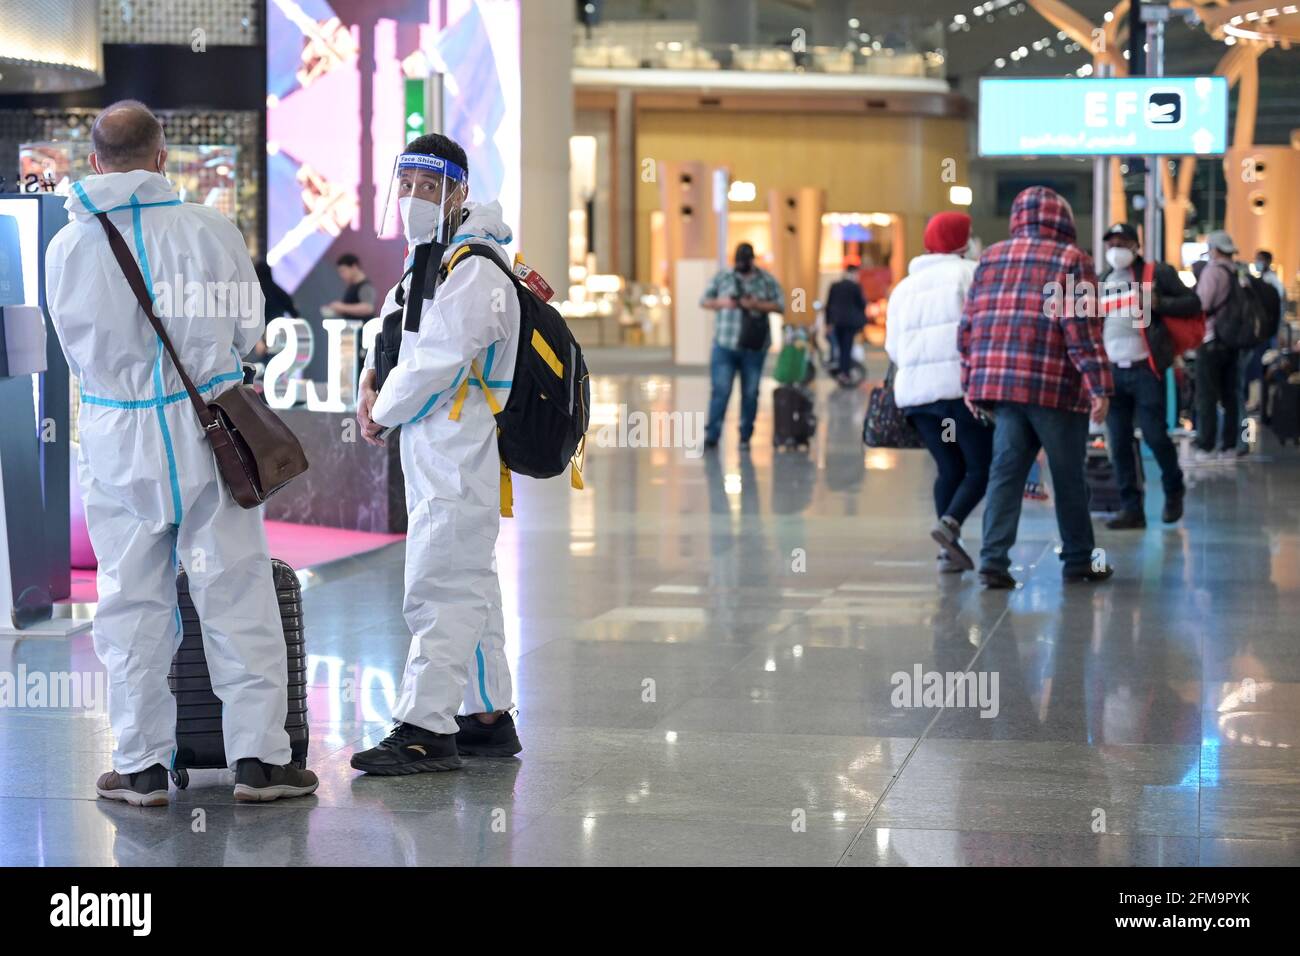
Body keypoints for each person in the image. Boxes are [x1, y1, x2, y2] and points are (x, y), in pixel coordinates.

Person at [44, 100, 318, 805]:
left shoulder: (67, 247)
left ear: (95, 162)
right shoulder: (210, 229)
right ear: (163, 157)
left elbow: (73, 348)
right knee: (236, 591)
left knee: (130, 604)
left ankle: (140, 767)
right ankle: (259, 762)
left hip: (115, 438)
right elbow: (250, 328)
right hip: (208, 434)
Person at [351, 133, 522, 774]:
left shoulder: (476, 264)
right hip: (432, 440)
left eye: (430, 186)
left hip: (460, 443)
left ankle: (426, 726)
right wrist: (370, 385)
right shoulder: (429, 257)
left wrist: (384, 412)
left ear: (459, 191)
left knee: (441, 581)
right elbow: (392, 331)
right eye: (408, 185)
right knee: (469, 577)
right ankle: (485, 715)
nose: (415, 198)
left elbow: (437, 359)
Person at [958, 186, 1114, 589]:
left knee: (1005, 473)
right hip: (1054, 388)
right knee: (1067, 476)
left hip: (1003, 388)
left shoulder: (990, 258)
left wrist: (970, 383)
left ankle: (992, 560)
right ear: (1063, 220)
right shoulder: (1072, 260)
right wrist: (1100, 386)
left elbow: (968, 327)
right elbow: (1082, 332)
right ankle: (1079, 558)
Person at [885, 211, 991, 573]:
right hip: (958, 392)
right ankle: (950, 524)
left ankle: (949, 552)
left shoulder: (904, 287)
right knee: (982, 467)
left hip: (918, 399)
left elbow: (893, 348)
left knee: (949, 468)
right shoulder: (971, 274)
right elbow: (983, 332)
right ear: (962, 240)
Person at [1096, 222, 1200, 528]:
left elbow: (1193, 303)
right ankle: (1132, 509)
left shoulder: (1157, 274)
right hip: (1113, 371)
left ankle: (1173, 488)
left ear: (1135, 246)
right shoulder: (1102, 279)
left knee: (1154, 435)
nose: (1116, 248)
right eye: (1111, 242)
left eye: (1123, 242)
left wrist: (1159, 302)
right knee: (1119, 441)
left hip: (1145, 368)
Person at [700, 242, 785, 451]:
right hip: (725, 344)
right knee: (720, 391)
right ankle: (712, 435)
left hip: (754, 347)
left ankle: (745, 435)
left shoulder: (765, 280)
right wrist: (723, 303)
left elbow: (782, 304)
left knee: (750, 393)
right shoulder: (724, 277)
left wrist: (757, 305)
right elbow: (704, 300)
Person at [1193, 231, 1244, 459]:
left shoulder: (1212, 271)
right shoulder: (1237, 272)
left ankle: (1207, 445)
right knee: (1230, 395)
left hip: (1212, 338)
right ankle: (1230, 445)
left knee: (1207, 394)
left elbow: (1202, 304)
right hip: (1233, 341)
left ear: (1214, 249)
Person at [825, 262, 867, 383]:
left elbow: (829, 304)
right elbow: (862, 304)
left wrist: (828, 322)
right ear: (854, 273)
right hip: (850, 322)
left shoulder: (835, 285)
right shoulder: (855, 286)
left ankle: (838, 368)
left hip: (837, 321)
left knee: (838, 346)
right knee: (846, 347)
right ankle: (845, 372)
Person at [327, 252, 377, 318]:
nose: (341, 275)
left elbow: (368, 308)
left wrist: (342, 307)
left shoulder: (365, 286)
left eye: (343, 271)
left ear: (354, 267)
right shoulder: (352, 286)